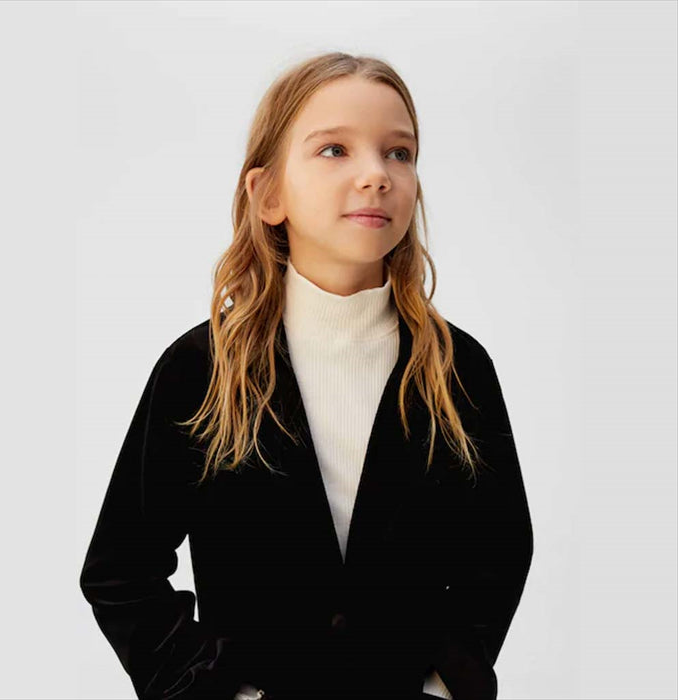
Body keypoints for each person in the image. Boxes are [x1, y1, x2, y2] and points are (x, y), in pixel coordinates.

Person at [79, 51, 534, 700]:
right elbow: (120, 570)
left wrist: (442, 684)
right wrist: (218, 690)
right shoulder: (202, 369)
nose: (376, 175)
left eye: (399, 153)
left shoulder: (458, 369)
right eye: (334, 150)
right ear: (268, 195)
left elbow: (500, 551)